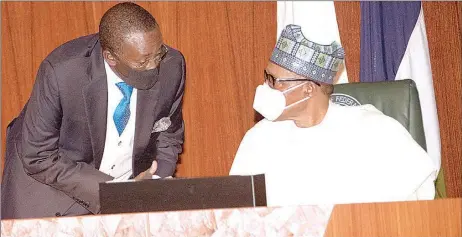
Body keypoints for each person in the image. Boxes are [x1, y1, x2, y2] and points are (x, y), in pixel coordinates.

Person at [1, 2, 185, 219]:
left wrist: (154, 183)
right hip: (50, 190)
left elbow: (168, 136)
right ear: (111, 58)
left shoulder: (172, 65)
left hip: (127, 194)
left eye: (158, 54)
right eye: (143, 62)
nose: (154, 67)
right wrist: (114, 193)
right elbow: (38, 156)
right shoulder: (62, 73)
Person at [230, 24, 437, 207]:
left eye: (276, 81)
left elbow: (419, 204)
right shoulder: (258, 139)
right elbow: (235, 216)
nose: (266, 87)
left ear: (308, 89)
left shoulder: (375, 130)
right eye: (267, 77)